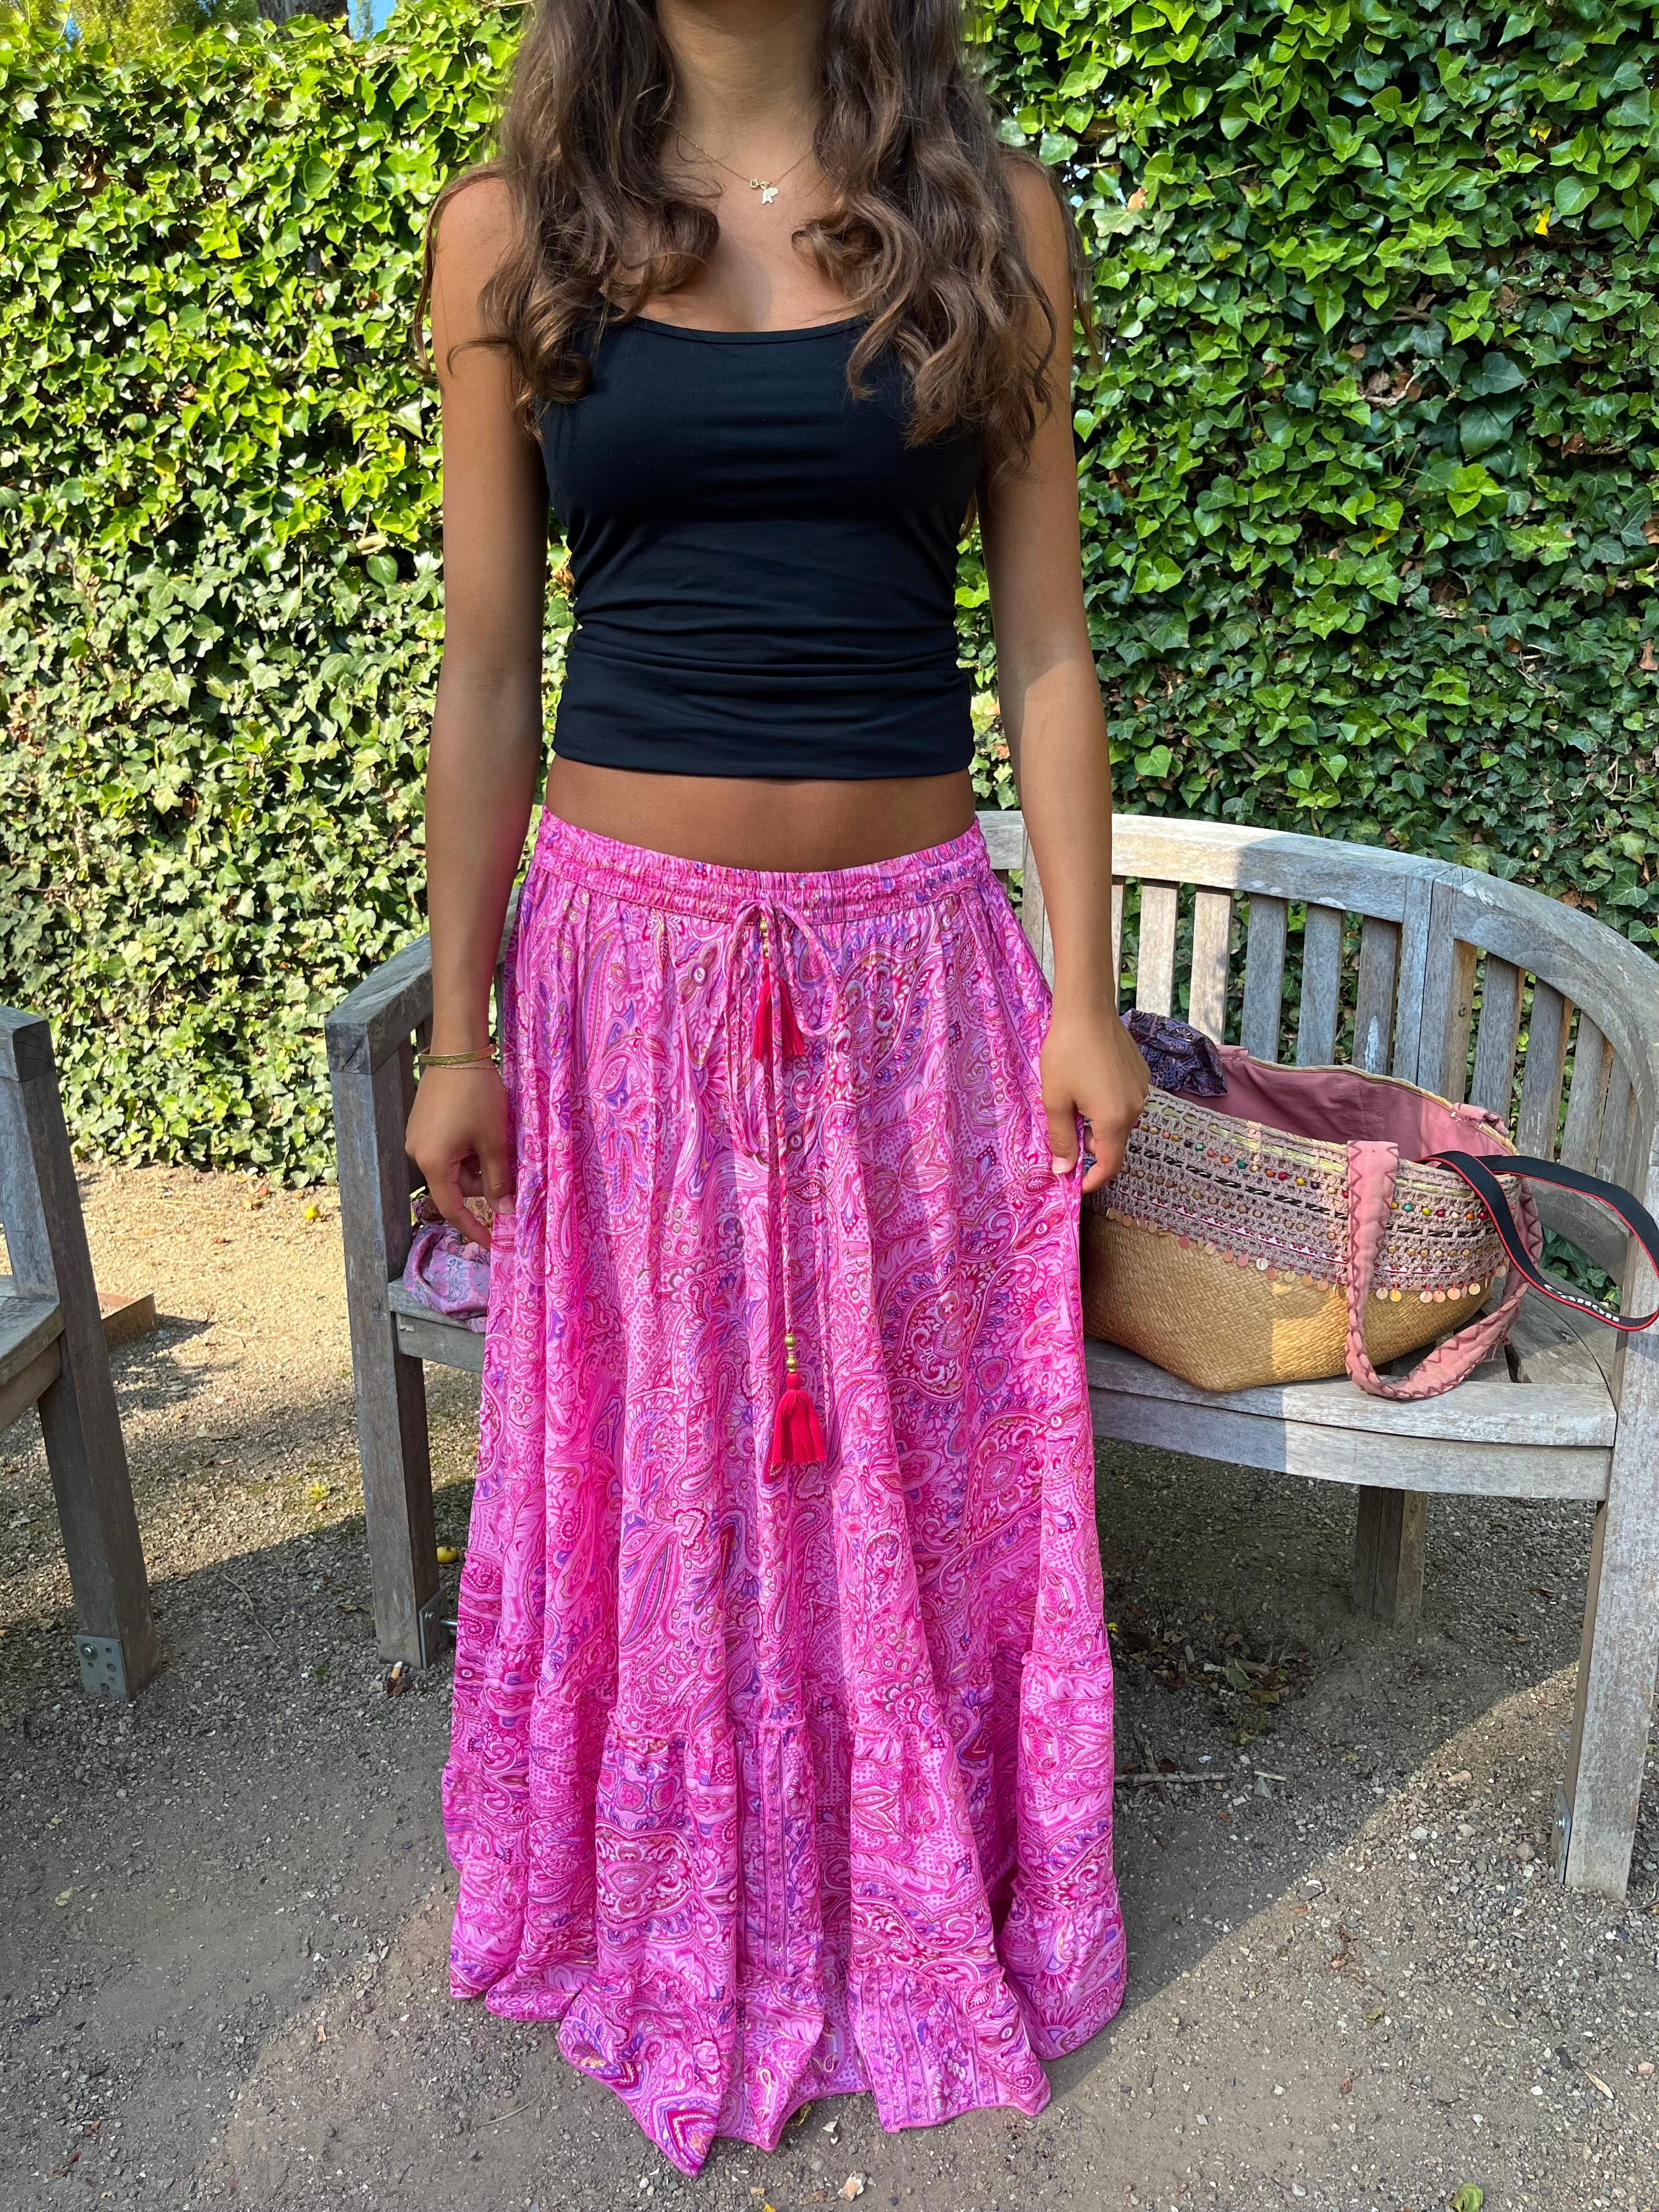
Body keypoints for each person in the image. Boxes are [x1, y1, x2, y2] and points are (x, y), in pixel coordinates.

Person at [405, 0, 1150, 2173]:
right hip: (619, 997)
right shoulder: (511, 234)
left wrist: (1084, 996)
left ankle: (891, 1902)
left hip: (916, 990)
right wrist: (458, 1028)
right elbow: (486, 665)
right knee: (658, 1474)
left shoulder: (991, 218)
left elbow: (1046, 645)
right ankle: (673, 1898)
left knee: (904, 1475)